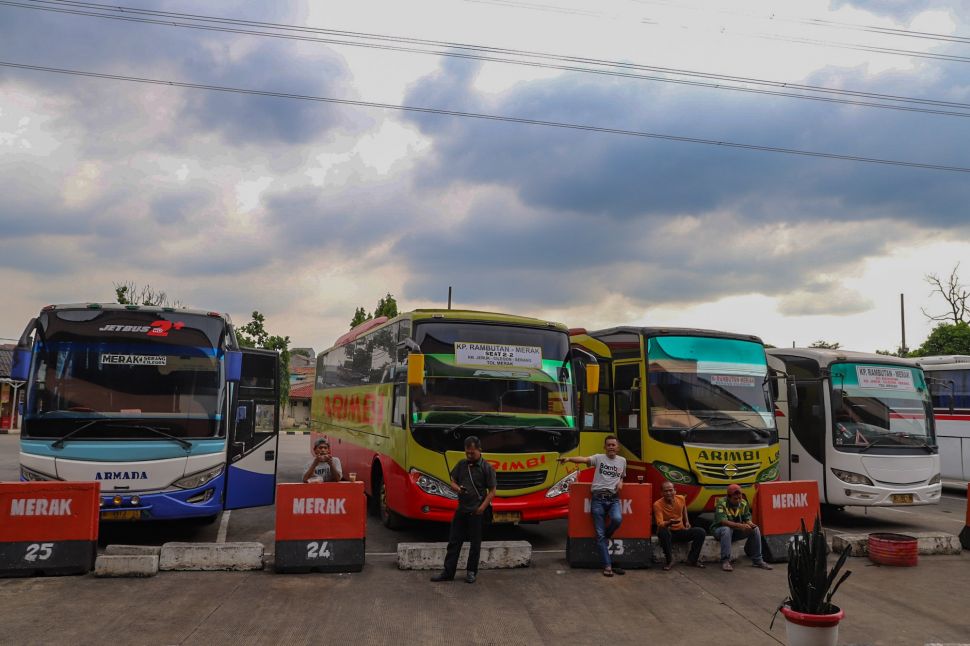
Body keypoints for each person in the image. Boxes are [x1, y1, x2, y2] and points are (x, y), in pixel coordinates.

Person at [431, 436, 497, 584]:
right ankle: (448, 572)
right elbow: (453, 481)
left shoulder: (487, 468)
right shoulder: (461, 465)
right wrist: (457, 489)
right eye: (467, 452)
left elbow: (492, 491)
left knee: (475, 544)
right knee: (454, 542)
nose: (469, 455)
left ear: (479, 450)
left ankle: (471, 572)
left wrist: (481, 508)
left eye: (472, 453)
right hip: (461, 510)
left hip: (476, 512)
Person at [559, 435, 627, 577]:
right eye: (608, 445)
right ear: (605, 447)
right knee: (600, 534)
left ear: (618, 447)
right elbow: (584, 459)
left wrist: (621, 481)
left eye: (613, 445)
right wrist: (569, 459)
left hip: (614, 498)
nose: (611, 447)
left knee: (617, 520)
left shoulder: (622, 461)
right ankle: (607, 565)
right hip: (597, 499)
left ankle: (603, 539)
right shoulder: (599, 458)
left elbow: (621, 475)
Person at [711, 483, 773, 571]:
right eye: (735, 499)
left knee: (755, 529)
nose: (738, 500)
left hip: (735, 531)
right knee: (726, 529)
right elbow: (723, 522)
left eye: (740, 498)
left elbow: (747, 517)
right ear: (728, 497)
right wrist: (740, 525)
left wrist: (750, 524)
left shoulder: (743, 503)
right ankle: (725, 561)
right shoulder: (721, 503)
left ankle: (758, 560)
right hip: (720, 531)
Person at [653, 481, 707, 570]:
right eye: (666, 491)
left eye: (670, 490)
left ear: (675, 491)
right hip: (668, 532)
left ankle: (692, 560)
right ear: (661, 493)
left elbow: (684, 508)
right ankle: (669, 560)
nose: (668, 493)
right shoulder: (657, 504)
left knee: (700, 532)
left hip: (681, 530)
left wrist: (687, 522)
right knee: (662, 531)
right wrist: (669, 523)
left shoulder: (681, 498)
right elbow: (660, 523)